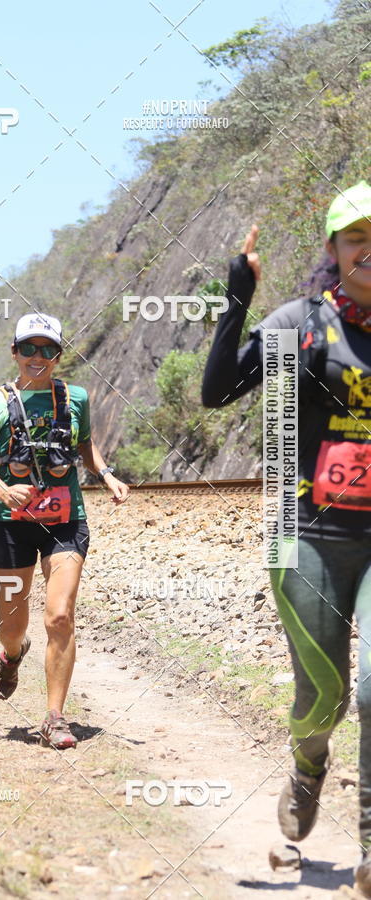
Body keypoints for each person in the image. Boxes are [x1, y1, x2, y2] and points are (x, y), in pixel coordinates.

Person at [201, 181, 371, 894]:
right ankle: (308, 767)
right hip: (307, 536)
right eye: (357, 236)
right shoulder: (301, 325)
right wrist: (238, 297)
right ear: (333, 249)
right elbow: (217, 391)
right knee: (325, 698)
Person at [0, 312, 130, 749]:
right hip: (12, 525)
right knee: (12, 625)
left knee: (60, 616)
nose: (38, 357)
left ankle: (56, 718)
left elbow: (84, 445)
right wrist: (3, 491)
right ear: (15, 352)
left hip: (66, 521)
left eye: (48, 349)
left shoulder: (75, 397)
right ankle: (12, 655)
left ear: (59, 355)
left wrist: (106, 474)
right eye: (29, 348)